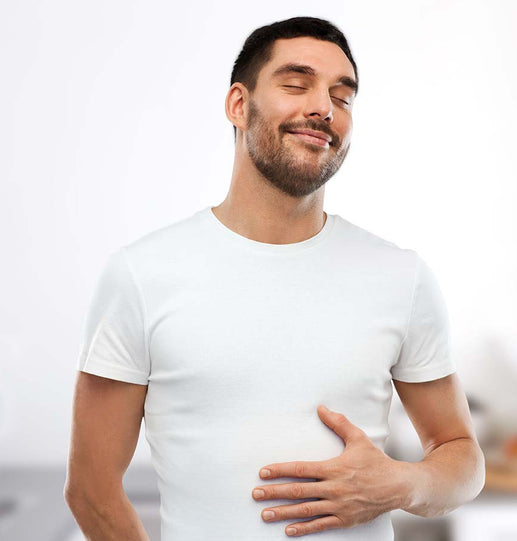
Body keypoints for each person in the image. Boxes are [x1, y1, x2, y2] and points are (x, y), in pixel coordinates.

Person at [64, 16, 484, 540]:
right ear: (239, 105)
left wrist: (397, 484)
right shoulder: (142, 275)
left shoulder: (401, 276)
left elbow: (463, 460)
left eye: (342, 96)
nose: (324, 107)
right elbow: (90, 487)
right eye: (296, 83)